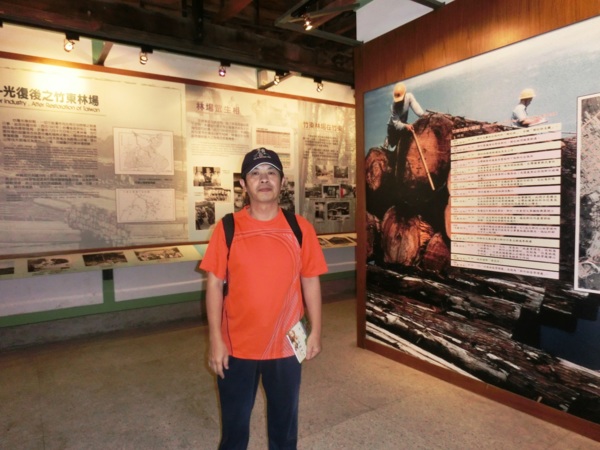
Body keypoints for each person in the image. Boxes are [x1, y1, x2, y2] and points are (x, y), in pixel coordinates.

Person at [199, 147, 327, 450]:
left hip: (287, 345)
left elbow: (310, 280)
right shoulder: (228, 228)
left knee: (285, 429)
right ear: (243, 184)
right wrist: (215, 340)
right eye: (255, 173)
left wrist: (316, 332)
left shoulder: (300, 228)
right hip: (236, 346)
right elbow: (214, 286)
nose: (264, 179)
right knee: (234, 431)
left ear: (282, 182)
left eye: (271, 172)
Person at [386, 82, 425, 149]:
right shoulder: (393, 107)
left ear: (405, 94)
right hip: (393, 127)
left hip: (403, 123)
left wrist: (424, 115)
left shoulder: (409, 97)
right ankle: (388, 140)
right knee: (394, 144)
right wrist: (406, 126)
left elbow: (417, 108)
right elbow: (396, 124)